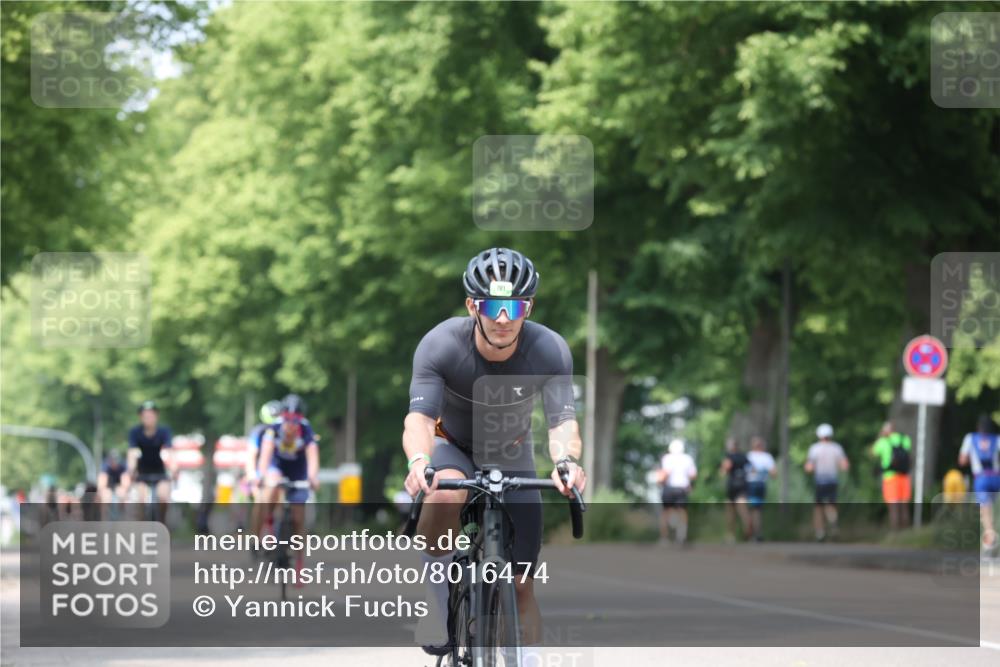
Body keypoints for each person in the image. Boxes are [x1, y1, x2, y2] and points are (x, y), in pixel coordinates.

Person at [402, 247, 586, 659]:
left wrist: (566, 462)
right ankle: (436, 602)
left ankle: (524, 658)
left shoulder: (550, 349)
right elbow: (418, 419)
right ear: (473, 305)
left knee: (521, 582)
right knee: (444, 490)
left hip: (510, 452)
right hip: (452, 445)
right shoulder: (441, 344)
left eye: (514, 306)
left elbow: (562, 423)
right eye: (492, 306)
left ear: (528, 306)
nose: (503, 318)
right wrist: (419, 462)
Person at [256, 393, 320, 576]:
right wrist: (261, 475)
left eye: (295, 420)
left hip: (298, 469)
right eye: (287, 419)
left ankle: (299, 565)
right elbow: (266, 455)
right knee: (270, 489)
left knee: (299, 518)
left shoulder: (306, 430)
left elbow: (312, 455)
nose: (291, 424)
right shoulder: (273, 430)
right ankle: (267, 526)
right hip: (277, 466)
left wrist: (313, 477)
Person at [126, 400, 175, 522]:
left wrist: (174, 468)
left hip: (160, 472)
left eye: (151, 415)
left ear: (156, 416)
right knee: (141, 500)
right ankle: (143, 527)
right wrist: (131, 470)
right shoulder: (135, 432)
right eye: (145, 415)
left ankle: (162, 523)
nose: (148, 418)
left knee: (163, 497)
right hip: (142, 472)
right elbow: (132, 453)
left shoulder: (164, 432)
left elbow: (169, 452)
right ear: (141, 417)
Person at [958, 414, 1000, 554]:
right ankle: (990, 538)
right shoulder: (997, 439)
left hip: (981, 479)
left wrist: (973, 459)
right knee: (993, 510)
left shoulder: (971, 438)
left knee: (985, 512)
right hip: (996, 478)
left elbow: (962, 461)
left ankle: (990, 538)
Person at [247, 399, 283, 553]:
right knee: (261, 503)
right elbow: (251, 456)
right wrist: (252, 476)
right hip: (264, 473)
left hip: (281, 473)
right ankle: (255, 540)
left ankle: (284, 536)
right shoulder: (259, 432)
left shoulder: (287, 431)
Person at [805, 423, 849, 542]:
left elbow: (809, 467)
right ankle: (833, 525)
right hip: (832, 481)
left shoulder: (814, 448)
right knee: (831, 505)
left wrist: (811, 468)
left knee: (818, 507)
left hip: (820, 481)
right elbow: (845, 465)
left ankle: (820, 532)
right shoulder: (837, 448)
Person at [872, 420, 912, 531]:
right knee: (904, 505)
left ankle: (895, 532)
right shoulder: (905, 439)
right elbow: (908, 452)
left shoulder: (883, 441)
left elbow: (873, 452)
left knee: (893, 505)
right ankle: (906, 532)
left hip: (890, 477)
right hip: (904, 476)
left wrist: (880, 436)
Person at [657, 439, 697, 545]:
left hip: (669, 488)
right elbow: (693, 475)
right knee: (682, 511)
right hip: (682, 489)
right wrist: (689, 484)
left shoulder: (667, 458)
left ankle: (664, 538)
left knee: (666, 512)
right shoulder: (688, 458)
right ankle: (681, 536)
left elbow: (665, 473)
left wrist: (659, 482)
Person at [719, 437, 751, 541]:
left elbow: (725, 469)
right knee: (743, 510)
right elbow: (752, 469)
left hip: (732, 485)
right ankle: (748, 530)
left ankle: (730, 535)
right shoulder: (744, 456)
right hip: (743, 484)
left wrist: (722, 471)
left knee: (730, 511)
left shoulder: (729, 456)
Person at [745, 436, 776, 541]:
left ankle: (753, 533)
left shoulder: (749, 456)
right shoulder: (767, 457)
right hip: (759, 484)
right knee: (756, 510)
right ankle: (755, 532)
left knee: (753, 509)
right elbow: (773, 473)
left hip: (751, 484)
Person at [96, 449, 130, 519]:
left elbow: (126, 483)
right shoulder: (105, 466)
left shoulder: (123, 466)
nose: (114, 462)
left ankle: (123, 519)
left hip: (119, 486)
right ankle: (104, 521)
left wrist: (123, 491)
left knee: (123, 494)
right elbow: (101, 484)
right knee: (105, 497)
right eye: (112, 460)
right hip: (108, 487)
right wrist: (103, 492)